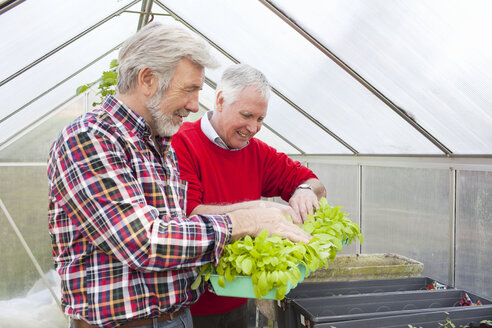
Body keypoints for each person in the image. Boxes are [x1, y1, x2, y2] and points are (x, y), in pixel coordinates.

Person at [47, 23, 310, 328]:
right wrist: (248, 220)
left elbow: (177, 228)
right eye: (188, 90)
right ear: (147, 79)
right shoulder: (90, 138)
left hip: (178, 317)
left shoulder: (160, 144)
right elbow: (143, 242)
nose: (195, 105)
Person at [172, 64, 326, 328]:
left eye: (260, 119)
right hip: (191, 306)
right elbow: (188, 216)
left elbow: (315, 184)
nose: (253, 128)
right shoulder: (182, 143)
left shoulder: (256, 151)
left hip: (242, 296)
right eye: (247, 115)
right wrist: (257, 211)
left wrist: (304, 190)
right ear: (220, 101)